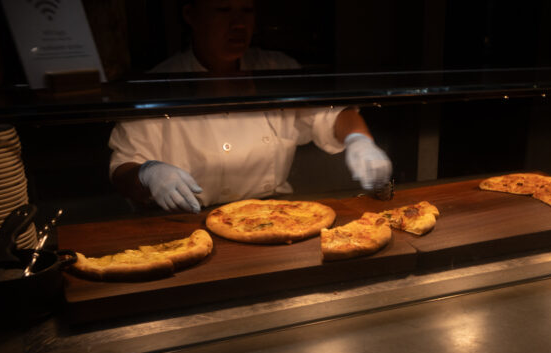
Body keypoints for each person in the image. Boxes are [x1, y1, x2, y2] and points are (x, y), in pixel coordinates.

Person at [109, 0, 392, 213]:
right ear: (191, 14)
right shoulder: (159, 83)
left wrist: (359, 140)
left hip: (277, 213)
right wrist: (148, 174)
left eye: (247, 10)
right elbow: (122, 170)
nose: (238, 23)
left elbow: (333, 115)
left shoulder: (276, 69)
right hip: (189, 222)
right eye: (223, 9)